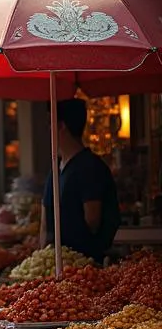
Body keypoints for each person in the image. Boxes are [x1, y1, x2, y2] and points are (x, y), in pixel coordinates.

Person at [40, 98, 121, 264]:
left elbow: (92, 221)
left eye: (51, 123)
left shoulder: (89, 167)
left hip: (84, 267)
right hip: (51, 266)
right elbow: (44, 222)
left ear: (61, 126)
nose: (48, 129)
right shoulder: (55, 170)